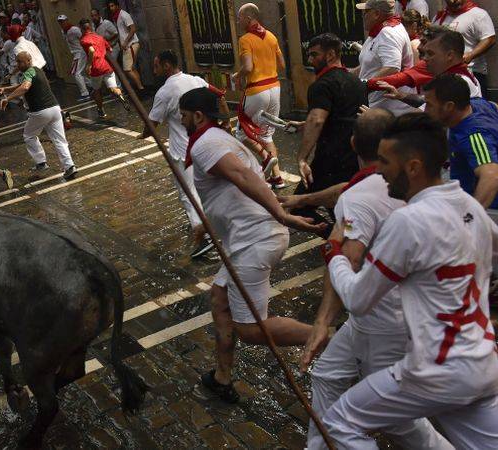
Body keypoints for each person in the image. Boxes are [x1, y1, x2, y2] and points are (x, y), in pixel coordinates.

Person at [322, 112, 498, 449]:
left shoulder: (408, 220)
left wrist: (335, 258)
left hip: (437, 370)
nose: (380, 170)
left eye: (386, 162)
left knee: (340, 421)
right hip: (482, 364)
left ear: (413, 167)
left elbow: (358, 300)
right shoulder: (470, 207)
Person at [297, 108, 452, 450]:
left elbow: (348, 264)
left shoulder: (364, 196)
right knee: (326, 375)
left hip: (384, 319)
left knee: (394, 419)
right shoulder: (421, 188)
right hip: (384, 314)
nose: (381, 174)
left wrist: (333, 259)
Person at [180, 87, 326, 403]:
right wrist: (208, 227)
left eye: (183, 114)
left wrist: (282, 215)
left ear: (198, 116)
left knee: (250, 329)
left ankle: (328, 336)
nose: (180, 120)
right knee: (220, 299)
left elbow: (245, 178)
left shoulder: (206, 143)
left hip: (256, 239)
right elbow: (228, 192)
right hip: (247, 238)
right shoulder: (219, 139)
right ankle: (222, 377)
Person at [142, 49, 226, 258]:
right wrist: (226, 120)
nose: (154, 69)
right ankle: (217, 227)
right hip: (208, 144)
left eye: (156, 65)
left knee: (188, 194)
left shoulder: (164, 92)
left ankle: (207, 240)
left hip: (184, 152)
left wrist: (142, 134)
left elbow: (151, 125)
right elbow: (219, 94)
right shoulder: (195, 80)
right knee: (211, 188)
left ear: (166, 66)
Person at [291, 33, 367, 229]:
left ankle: (337, 240)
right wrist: (305, 124)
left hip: (329, 161)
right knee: (342, 208)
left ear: (331, 54)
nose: (310, 60)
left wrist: (301, 158)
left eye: (314, 55)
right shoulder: (356, 82)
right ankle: (348, 240)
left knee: (299, 206)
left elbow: (317, 119)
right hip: (353, 158)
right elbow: (342, 115)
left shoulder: (321, 85)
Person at [423, 74, 498, 217]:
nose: (426, 110)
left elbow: (492, 176)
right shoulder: (478, 104)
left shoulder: (472, 136)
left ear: (449, 106)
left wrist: (468, 220)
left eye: (430, 105)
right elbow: (494, 106)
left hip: (490, 211)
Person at [0, 52, 77, 180]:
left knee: (29, 135)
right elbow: (23, 85)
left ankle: (41, 162)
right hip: (54, 108)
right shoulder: (36, 70)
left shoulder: (29, 72)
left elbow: (25, 87)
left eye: (20, 62)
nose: (18, 64)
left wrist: (8, 98)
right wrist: (6, 89)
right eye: (17, 62)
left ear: (28, 61)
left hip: (41, 111)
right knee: (59, 140)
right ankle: (70, 166)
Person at [233, 3, 286, 189]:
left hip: (257, 91)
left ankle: (266, 158)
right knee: (267, 134)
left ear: (249, 18)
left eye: (239, 18)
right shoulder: (271, 36)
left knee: (241, 132)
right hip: (275, 88)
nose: (238, 22)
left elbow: (247, 68)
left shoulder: (245, 39)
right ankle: (277, 178)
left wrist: (237, 76)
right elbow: (282, 65)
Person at [371, 26, 482, 107]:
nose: (424, 58)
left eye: (430, 54)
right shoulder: (458, 76)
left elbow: (429, 113)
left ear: (450, 55)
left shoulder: (457, 83)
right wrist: (400, 95)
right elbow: (426, 101)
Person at [355, 0, 416, 116]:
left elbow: (392, 67)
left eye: (366, 11)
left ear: (377, 14)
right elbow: (369, 64)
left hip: (391, 110)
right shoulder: (378, 32)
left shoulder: (388, 33)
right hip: (379, 106)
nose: (363, 16)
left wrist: (364, 85)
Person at [433, 0, 495, 94]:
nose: (452, 1)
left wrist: (470, 55)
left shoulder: (478, 14)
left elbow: (489, 39)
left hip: (471, 73)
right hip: (444, 75)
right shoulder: (440, 17)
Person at [78, 18, 128, 119]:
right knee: (113, 87)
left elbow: (91, 50)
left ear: (81, 29)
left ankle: (101, 110)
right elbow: (109, 48)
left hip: (96, 68)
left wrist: (89, 65)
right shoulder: (99, 37)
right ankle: (120, 95)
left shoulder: (83, 40)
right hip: (107, 66)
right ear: (90, 27)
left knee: (97, 90)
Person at [108, 0, 144, 92]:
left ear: (117, 6)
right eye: (110, 6)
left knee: (128, 69)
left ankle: (140, 88)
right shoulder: (115, 17)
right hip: (127, 46)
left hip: (131, 44)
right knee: (131, 68)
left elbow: (133, 29)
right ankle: (141, 88)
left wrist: (125, 42)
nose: (111, 8)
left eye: (112, 6)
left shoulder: (124, 15)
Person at [57, 15, 90, 101]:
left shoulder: (74, 29)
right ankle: (92, 85)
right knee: (78, 73)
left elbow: (83, 38)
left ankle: (85, 93)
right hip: (76, 54)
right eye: (60, 22)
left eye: (63, 21)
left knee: (77, 73)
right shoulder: (63, 31)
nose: (62, 23)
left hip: (81, 53)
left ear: (67, 20)